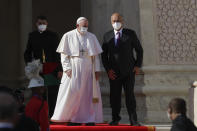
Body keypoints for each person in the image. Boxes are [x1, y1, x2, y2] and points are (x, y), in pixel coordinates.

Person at [51, 17, 103, 125]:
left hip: (88, 69)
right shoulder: (68, 36)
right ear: (77, 26)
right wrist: (67, 68)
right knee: (73, 93)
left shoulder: (92, 37)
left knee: (88, 95)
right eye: (83, 26)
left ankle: (89, 118)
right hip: (74, 68)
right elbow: (64, 55)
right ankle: (72, 118)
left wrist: (97, 70)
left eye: (87, 26)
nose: (85, 28)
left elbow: (96, 56)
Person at [101, 13, 143, 126]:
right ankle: (115, 119)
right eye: (114, 21)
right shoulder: (107, 36)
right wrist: (108, 69)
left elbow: (139, 50)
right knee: (114, 97)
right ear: (111, 22)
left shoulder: (130, 34)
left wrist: (137, 65)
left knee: (130, 96)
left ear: (122, 21)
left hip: (129, 71)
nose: (116, 23)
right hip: (114, 73)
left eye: (118, 20)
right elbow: (104, 55)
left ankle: (133, 120)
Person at [24, 15, 62, 117]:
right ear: (36, 24)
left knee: (52, 92)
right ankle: (40, 115)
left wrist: (60, 69)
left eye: (44, 23)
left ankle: (52, 115)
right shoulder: (32, 35)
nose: (42, 25)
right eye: (40, 23)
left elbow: (58, 53)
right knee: (39, 93)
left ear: (47, 24)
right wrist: (30, 65)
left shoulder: (53, 35)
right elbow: (27, 52)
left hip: (52, 66)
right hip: (37, 67)